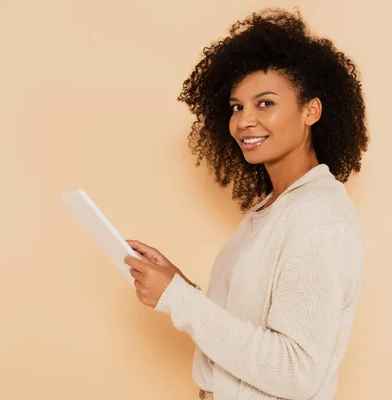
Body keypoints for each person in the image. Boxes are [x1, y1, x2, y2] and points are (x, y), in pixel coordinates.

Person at [123, 8, 368, 400]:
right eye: (237, 107)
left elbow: (297, 372)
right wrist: (180, 286)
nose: (243, 122)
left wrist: (180, 300)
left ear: (312, 110)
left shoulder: (320, 217)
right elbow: (245, 327)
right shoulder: (271, 207)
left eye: (265, 103)